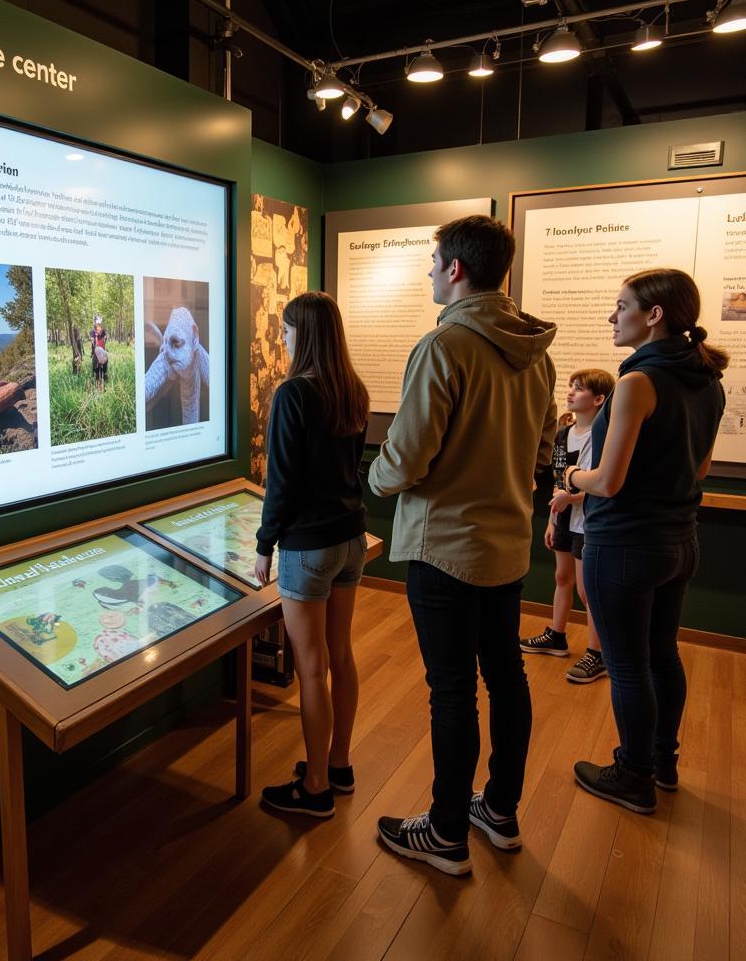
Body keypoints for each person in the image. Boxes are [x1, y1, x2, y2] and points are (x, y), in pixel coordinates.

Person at [368, 215, 557, 876]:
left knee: (451, 689)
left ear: (455, 270)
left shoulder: (443, 347)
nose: (428, 270)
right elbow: (542, 451)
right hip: (506, 546)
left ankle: (446, 832)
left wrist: (375, 475)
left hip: (445, 546)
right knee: (505, 675)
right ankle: (498, 811)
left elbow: (409, 457)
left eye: (432, 260)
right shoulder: (537, 353)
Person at [564, 268, 726, 813]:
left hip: (626, 545)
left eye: (621, 305)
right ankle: (663, 762)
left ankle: (632, 775)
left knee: (628, 663)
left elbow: (607, 480)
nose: (613, 316)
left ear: (653, 315)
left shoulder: (637, 382)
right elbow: (700, 468)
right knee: (662, 655)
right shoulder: (708, 381)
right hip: (679, 542)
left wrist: (569, 479)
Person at [255, 291, 369, 820]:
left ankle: (316, 787)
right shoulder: (353, 390)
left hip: (308, 545)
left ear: (304, 333)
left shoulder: (293, 394)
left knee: (310, 667)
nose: (282, 337)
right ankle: (339, 765)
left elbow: (281, 482)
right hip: (350, 539)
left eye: (285, 329)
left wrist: (264, 545)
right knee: (339, 655)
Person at [521, 369, 615, 683]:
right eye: (571, 386)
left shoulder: (605, 436)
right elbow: (560, 480)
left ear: (599, 399)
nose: (571, 392)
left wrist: (571, 501)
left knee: (588, 592)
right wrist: (551, 519)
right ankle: (557, 636)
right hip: (563, 519)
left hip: (590, 522)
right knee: (562, 577)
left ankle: (596, 653)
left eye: (580, 388)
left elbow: (605, 483)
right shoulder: (564, 433)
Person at [89, 314, 108, 389]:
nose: (98, 324)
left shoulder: (103, 332)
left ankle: (104, 377)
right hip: (95, 351)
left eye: (99, 323)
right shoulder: (92, 332)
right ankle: (97, 381)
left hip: (102, 350)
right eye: (97, 323)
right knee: (95, 366)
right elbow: (92, 342)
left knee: (104, 364)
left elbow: (104, 338)